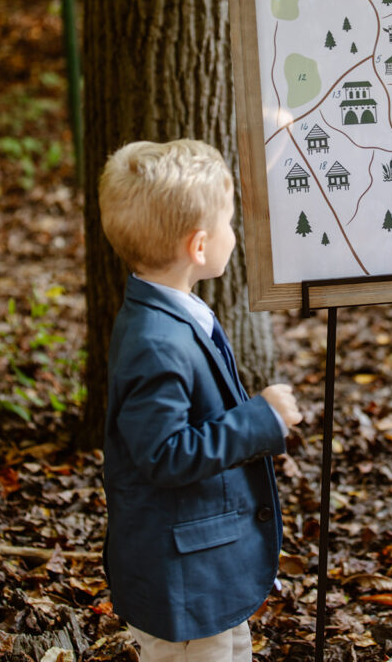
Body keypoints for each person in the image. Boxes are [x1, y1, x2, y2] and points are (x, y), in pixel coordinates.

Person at [99, 138, 302, 662]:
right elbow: (164, 453)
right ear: (199, 246)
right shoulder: (155, 341)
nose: (234, 233)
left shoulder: (175, 311)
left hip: (209, 563)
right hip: (182, 574)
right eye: (229, 223)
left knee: (232, 649)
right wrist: (261, 420)